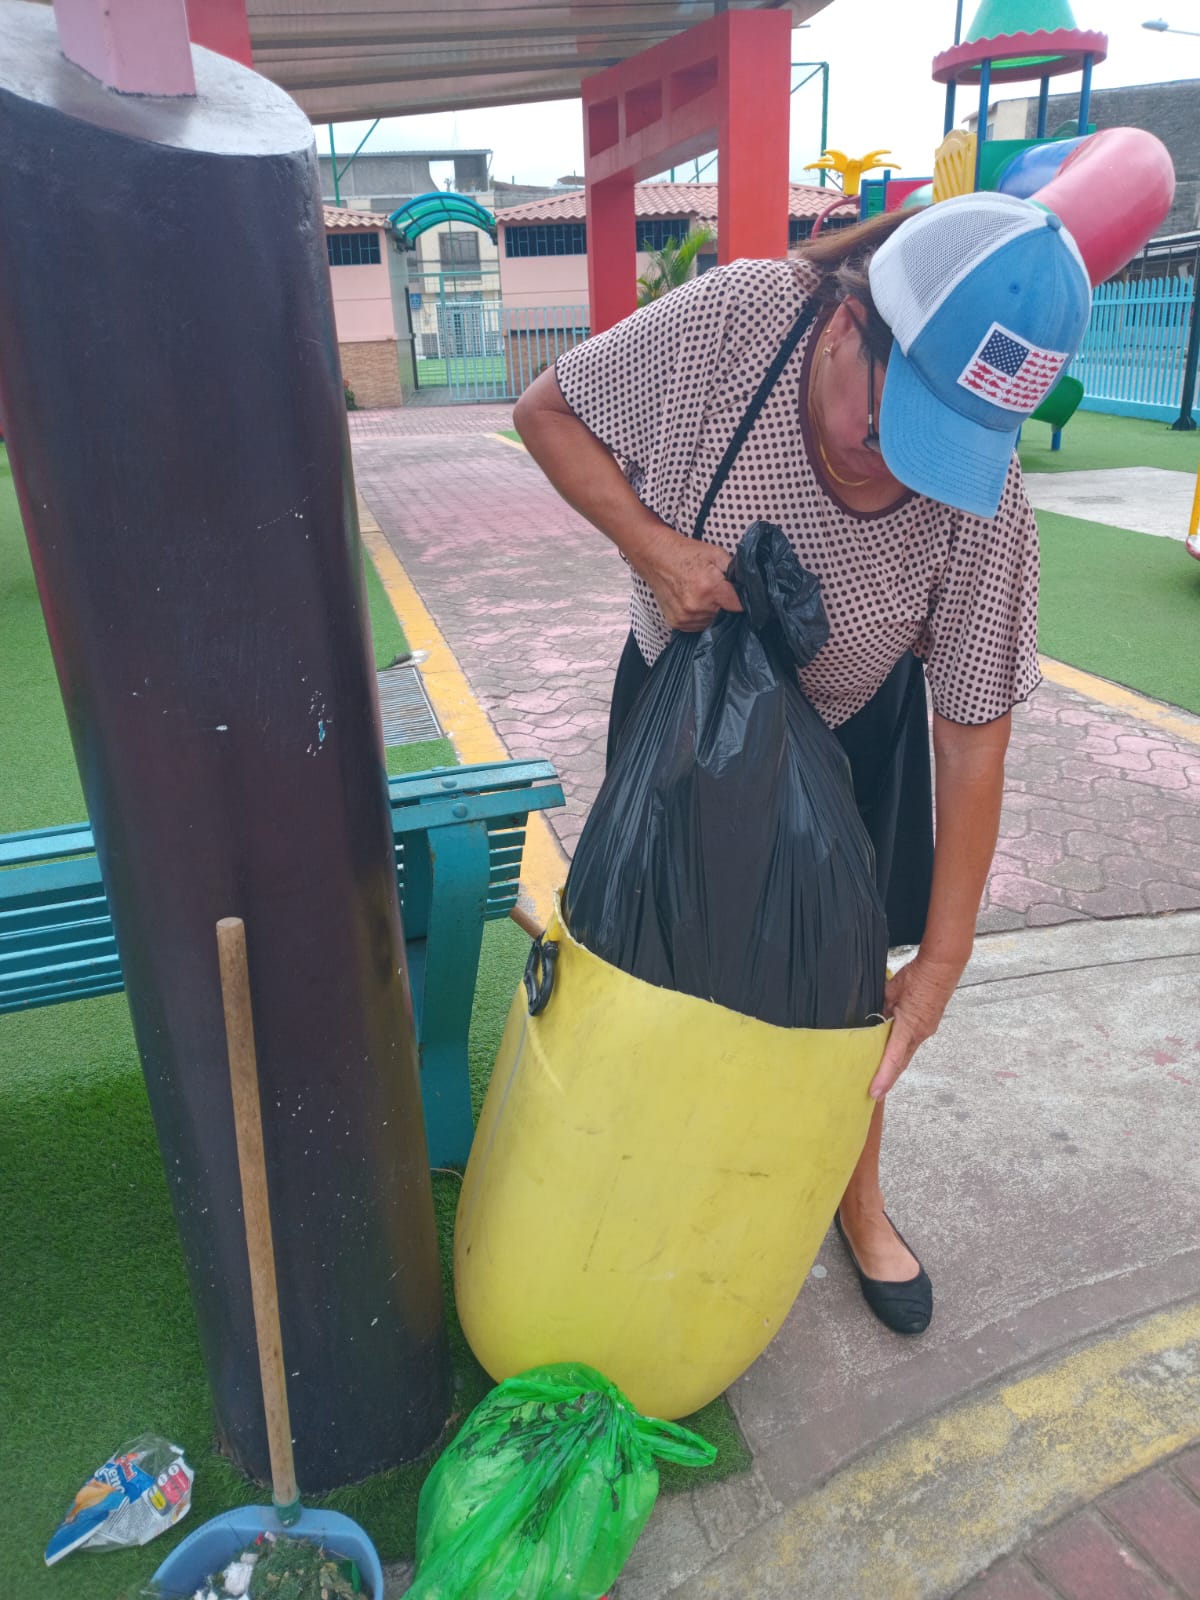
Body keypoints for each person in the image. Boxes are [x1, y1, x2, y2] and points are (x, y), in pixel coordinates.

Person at [513, 191, 1092, 1335]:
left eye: (948, 443)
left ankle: (855, 1196)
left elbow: (972, 731)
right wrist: (658, 549)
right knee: (648, 960)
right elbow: (549, 413)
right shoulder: (736, 320)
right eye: (893, 419)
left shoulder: (984, 503)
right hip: (681, 713)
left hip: (848, 739)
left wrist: (943, 957)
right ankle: (639, 1176)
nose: (902, 466)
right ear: (851, 319)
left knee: (843, 990)